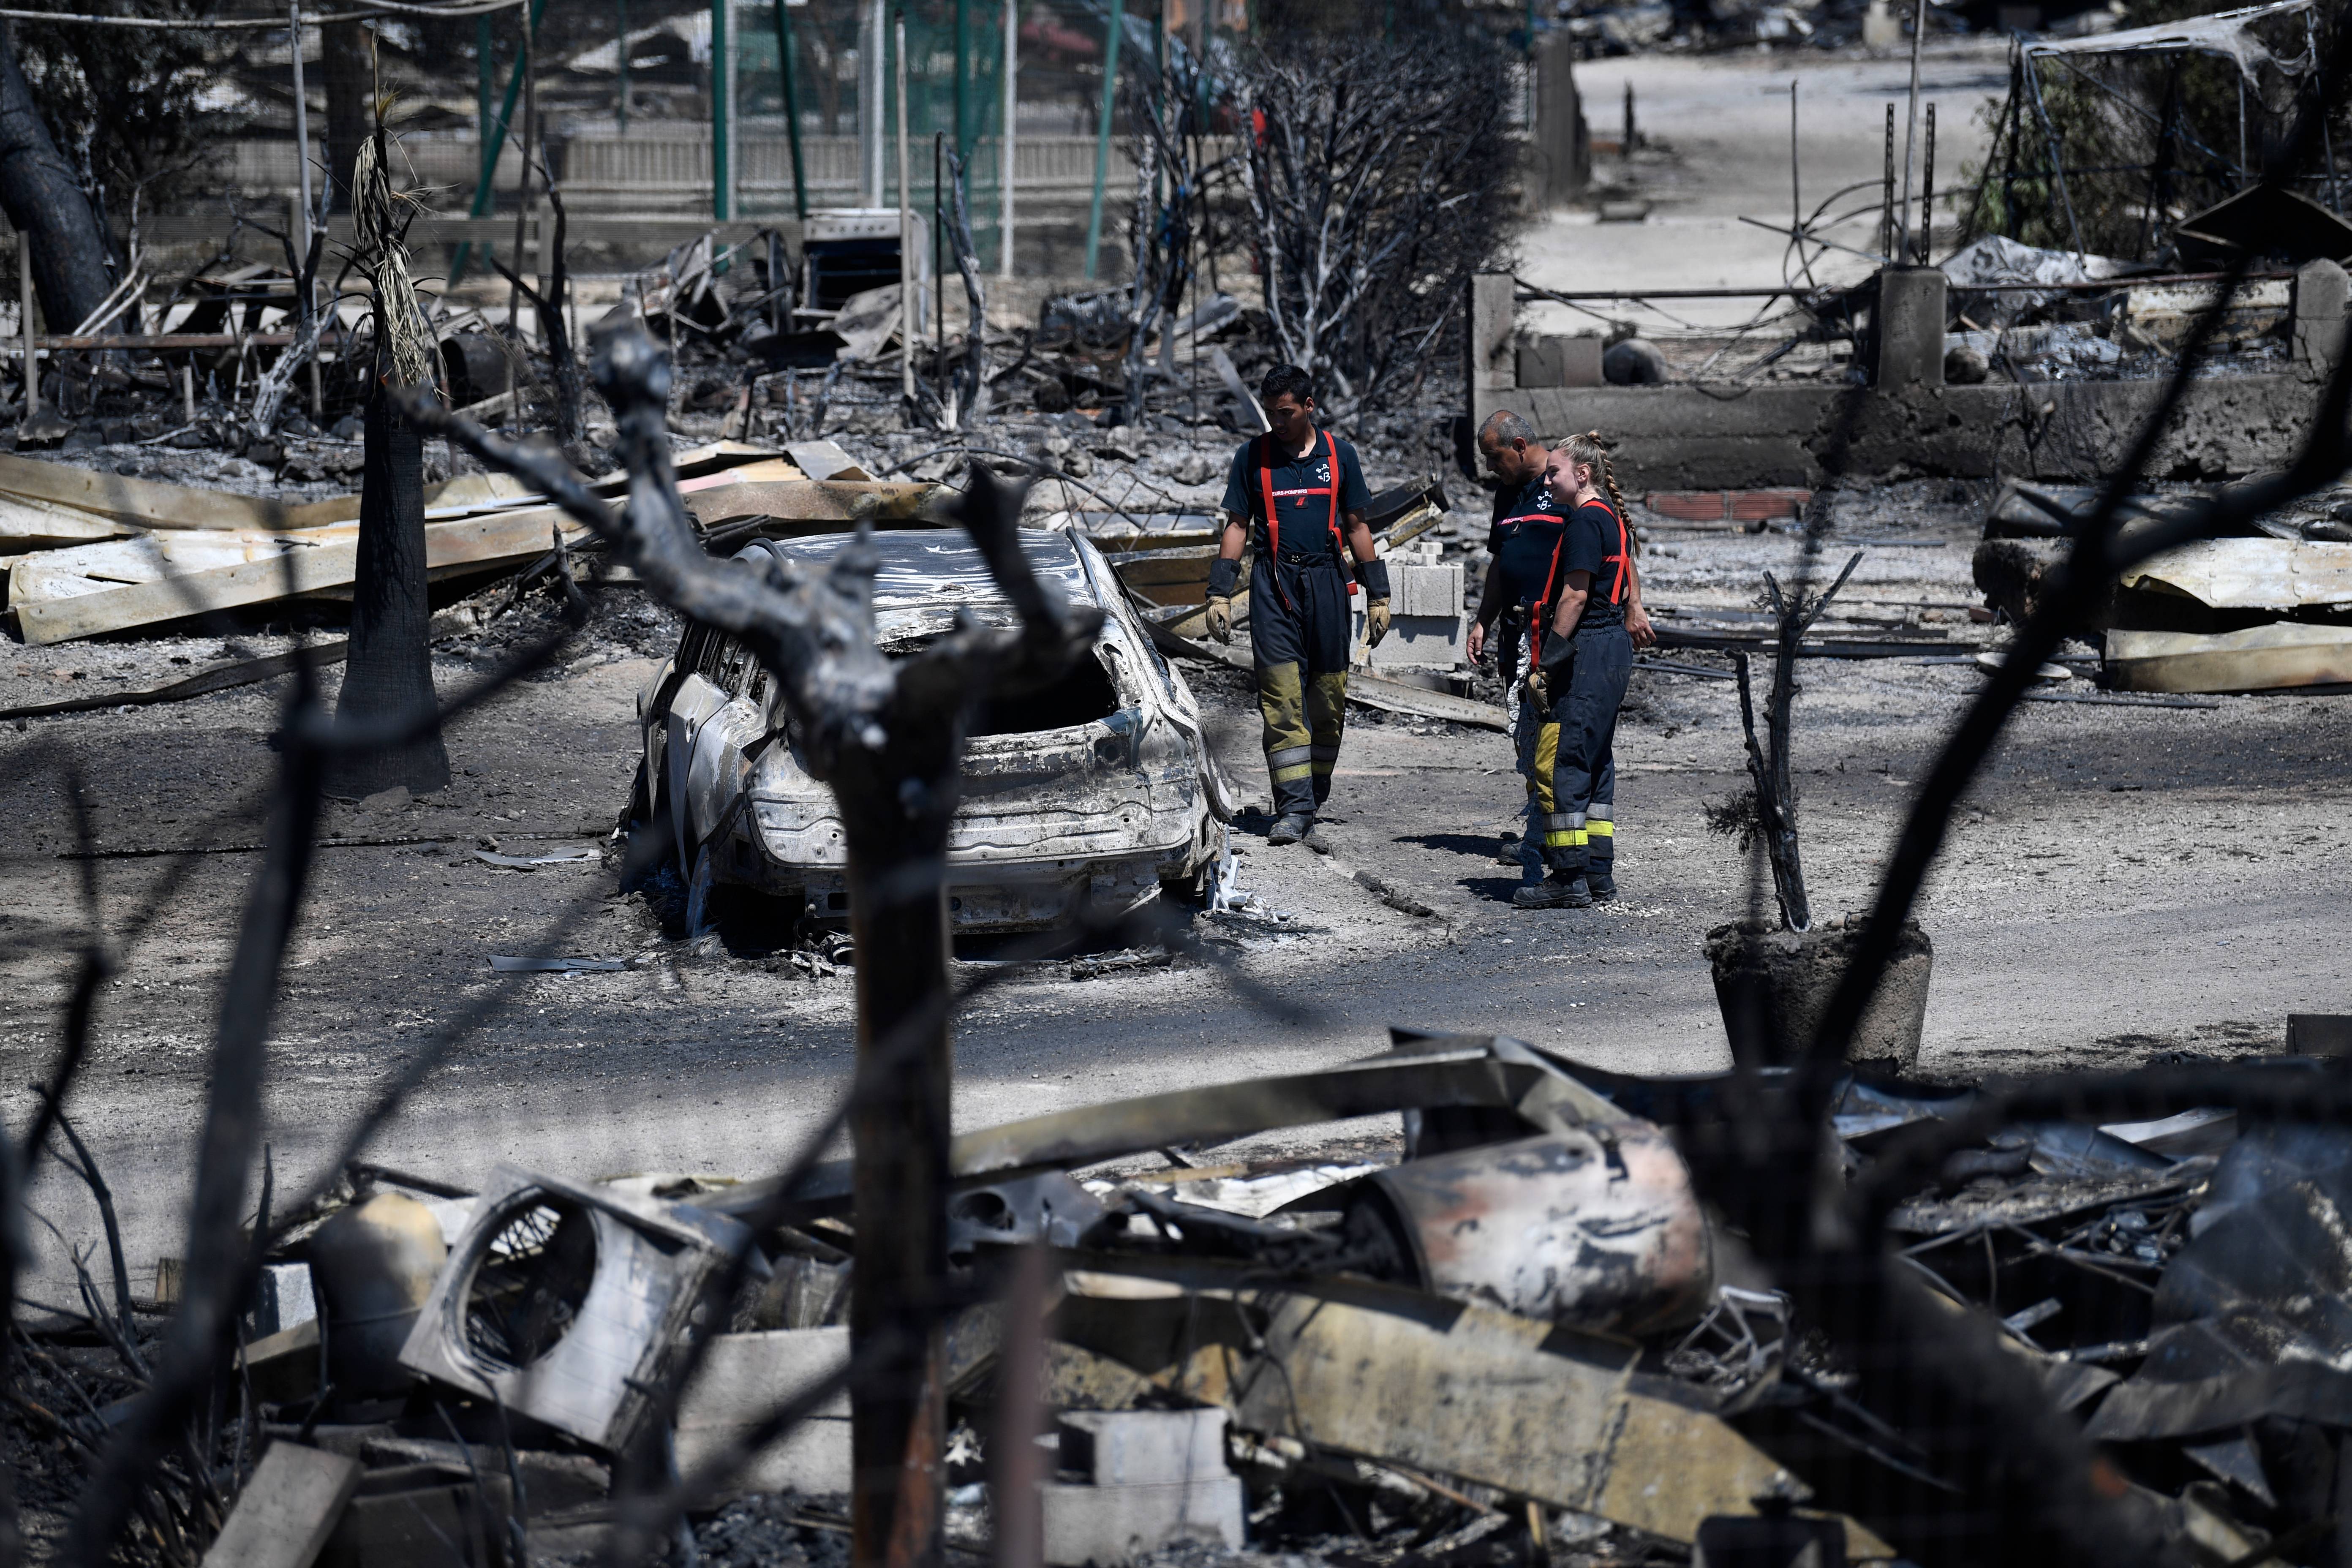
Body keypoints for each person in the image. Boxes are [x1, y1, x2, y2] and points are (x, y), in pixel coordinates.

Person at [1466, 415, 1652, 906]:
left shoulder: (1587, 520)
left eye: (1555, 473)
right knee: (1595, 759)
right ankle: (1597, 871)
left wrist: (1547, 662)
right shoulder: (1605, 516)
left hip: (1586, 644)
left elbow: (1574, 595)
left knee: (1564, 758)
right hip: (1605, 644)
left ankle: (1567, 877)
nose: (1547, 482)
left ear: (1582, 475)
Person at [1203, 366, 1391, 846]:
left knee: (1327, 701)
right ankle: (1293, 806)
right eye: (1270, 414)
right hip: (1274, 585)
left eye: (1285, 413)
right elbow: (1237, 525)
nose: (1276, 423)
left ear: (1310, 406)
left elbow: (1356, 526)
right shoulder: (1253, 457)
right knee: (1282, 699)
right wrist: (1219, 593)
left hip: (1327, 582)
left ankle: (1314, 789)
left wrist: (1379, 593)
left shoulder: (1340, 456)